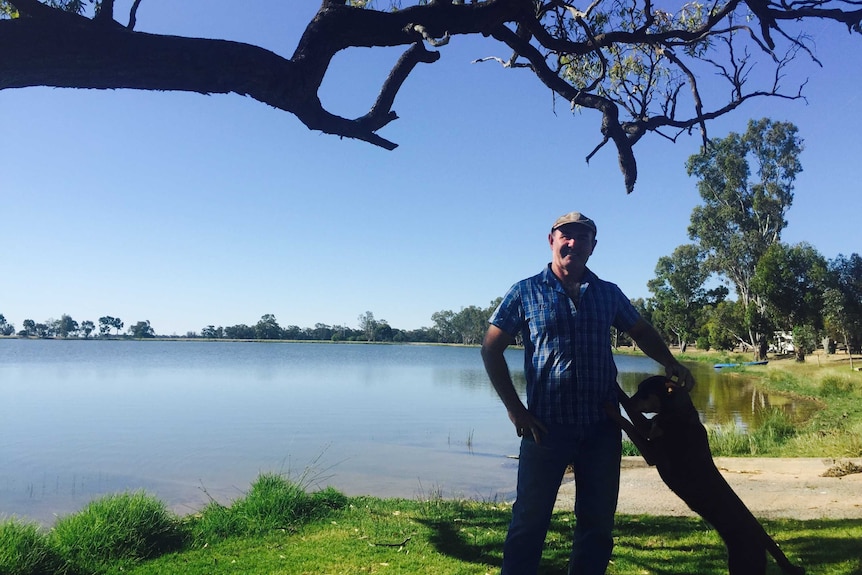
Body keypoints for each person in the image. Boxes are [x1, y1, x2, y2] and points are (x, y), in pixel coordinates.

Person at [481, 211, 695, 575]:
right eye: (566, 236)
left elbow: (641, 331)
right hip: (545, 429)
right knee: (529, 523)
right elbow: (490, 349)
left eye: (582, 238)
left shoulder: (608, 294)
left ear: (592, 247)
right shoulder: (525, 291)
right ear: (551, 241)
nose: (573, 243)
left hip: (602, 427)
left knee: (596, 526)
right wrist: (516, 409)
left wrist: (669, 361)